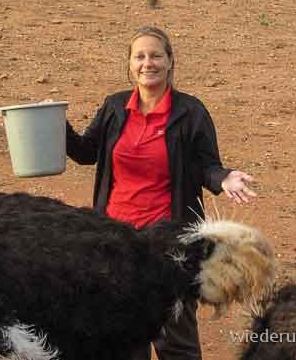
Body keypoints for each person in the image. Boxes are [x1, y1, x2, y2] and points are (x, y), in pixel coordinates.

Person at [66, 26, 257, 360]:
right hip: (115, 240)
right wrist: (57, 126)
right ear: (129, 64)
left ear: (170, 61)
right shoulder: (114, 108)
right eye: (139, 56)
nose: (147, 63)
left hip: (170, 245)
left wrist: (224, 178)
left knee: (175, 342)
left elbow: (206, 165)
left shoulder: (190, 112)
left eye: (156, 55)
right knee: (123, 339)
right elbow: (85, 152)